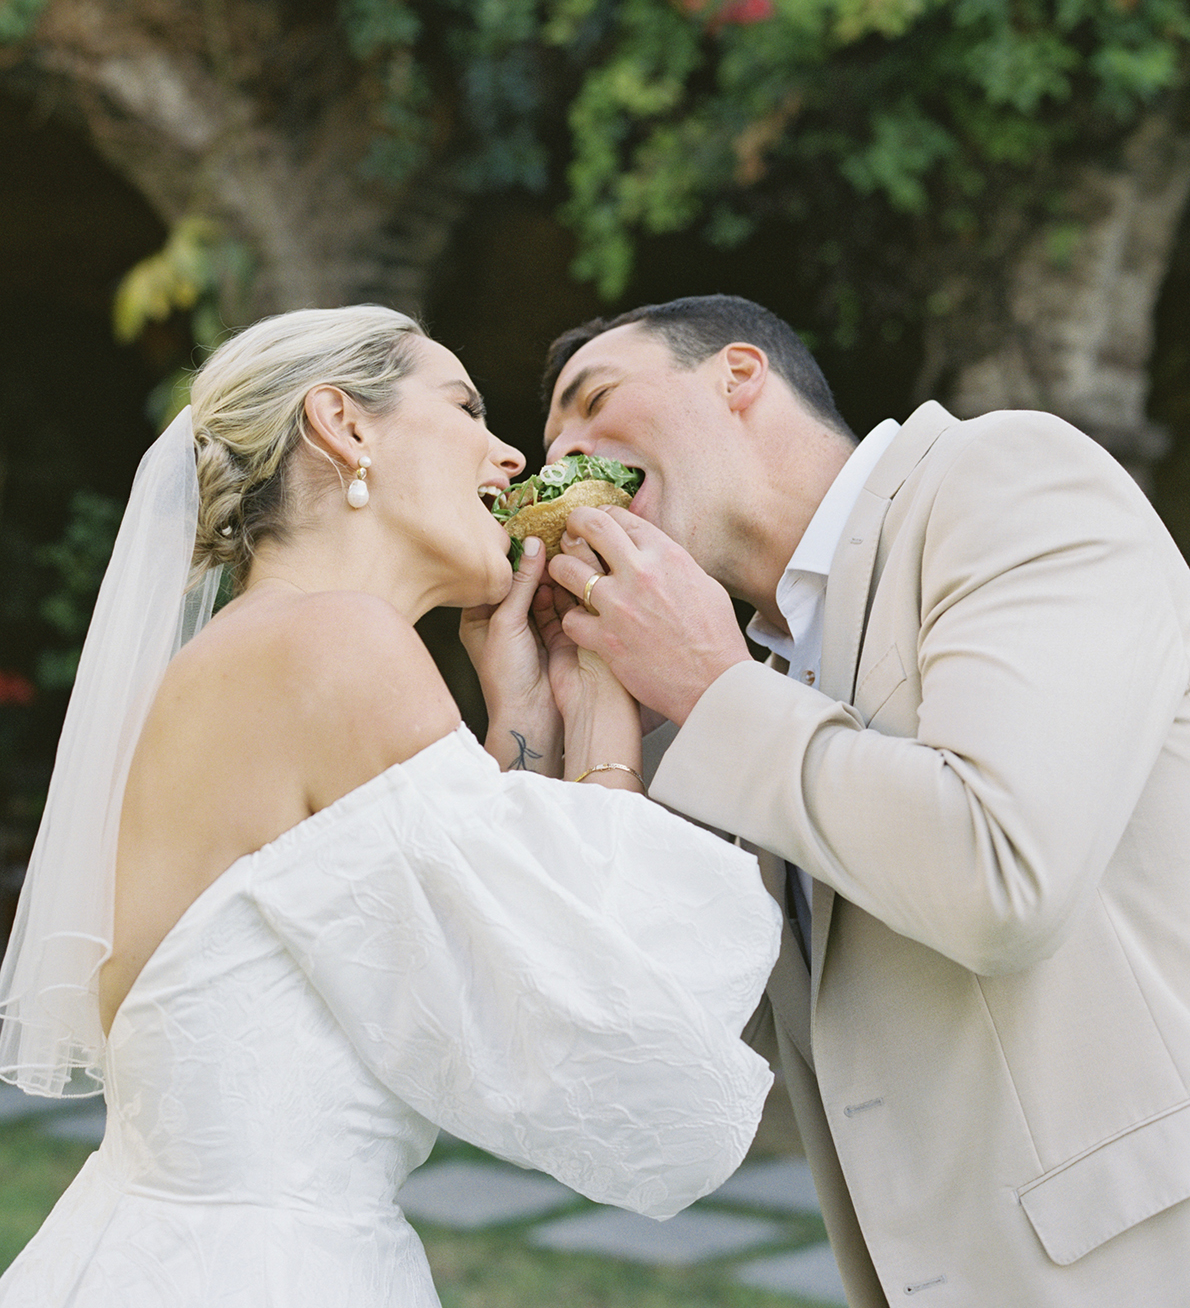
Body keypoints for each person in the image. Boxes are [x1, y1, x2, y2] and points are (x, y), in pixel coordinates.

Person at [0, 304, 780, 1308]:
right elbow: (600, 1019)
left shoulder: (266, 651)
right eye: (465, 406)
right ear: (343, 425)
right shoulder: (333, 646)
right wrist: (605, 715)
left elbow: (462, 954)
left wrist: (521, 713)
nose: (509, 456)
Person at [539, 292, 1190, 1308]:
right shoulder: (754, 672)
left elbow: (1000, 876)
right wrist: (546, 710)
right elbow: (650, 1020)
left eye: (593, 402)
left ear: (736, 374)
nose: (559, 461)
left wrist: (711, 689)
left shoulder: (1005, 477)